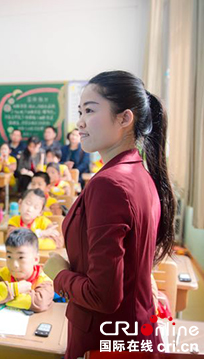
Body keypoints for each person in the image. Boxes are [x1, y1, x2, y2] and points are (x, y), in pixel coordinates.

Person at [43, 70, 176, 358]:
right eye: (80, 111)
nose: (79, 122)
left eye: (90, 110)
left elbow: (102, 295)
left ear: (125, 118)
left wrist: (60, 274)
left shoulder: (110, 184)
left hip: (104, 336)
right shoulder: (139, 173)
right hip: (134, 328)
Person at [0, 228, 53, 312]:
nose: (14, 265)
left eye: (21, 257)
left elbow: (40, 303)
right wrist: (14, 289)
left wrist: (4, 298)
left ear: (35, 259)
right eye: (9, 257)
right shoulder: (2, 274)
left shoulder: (44, 280)